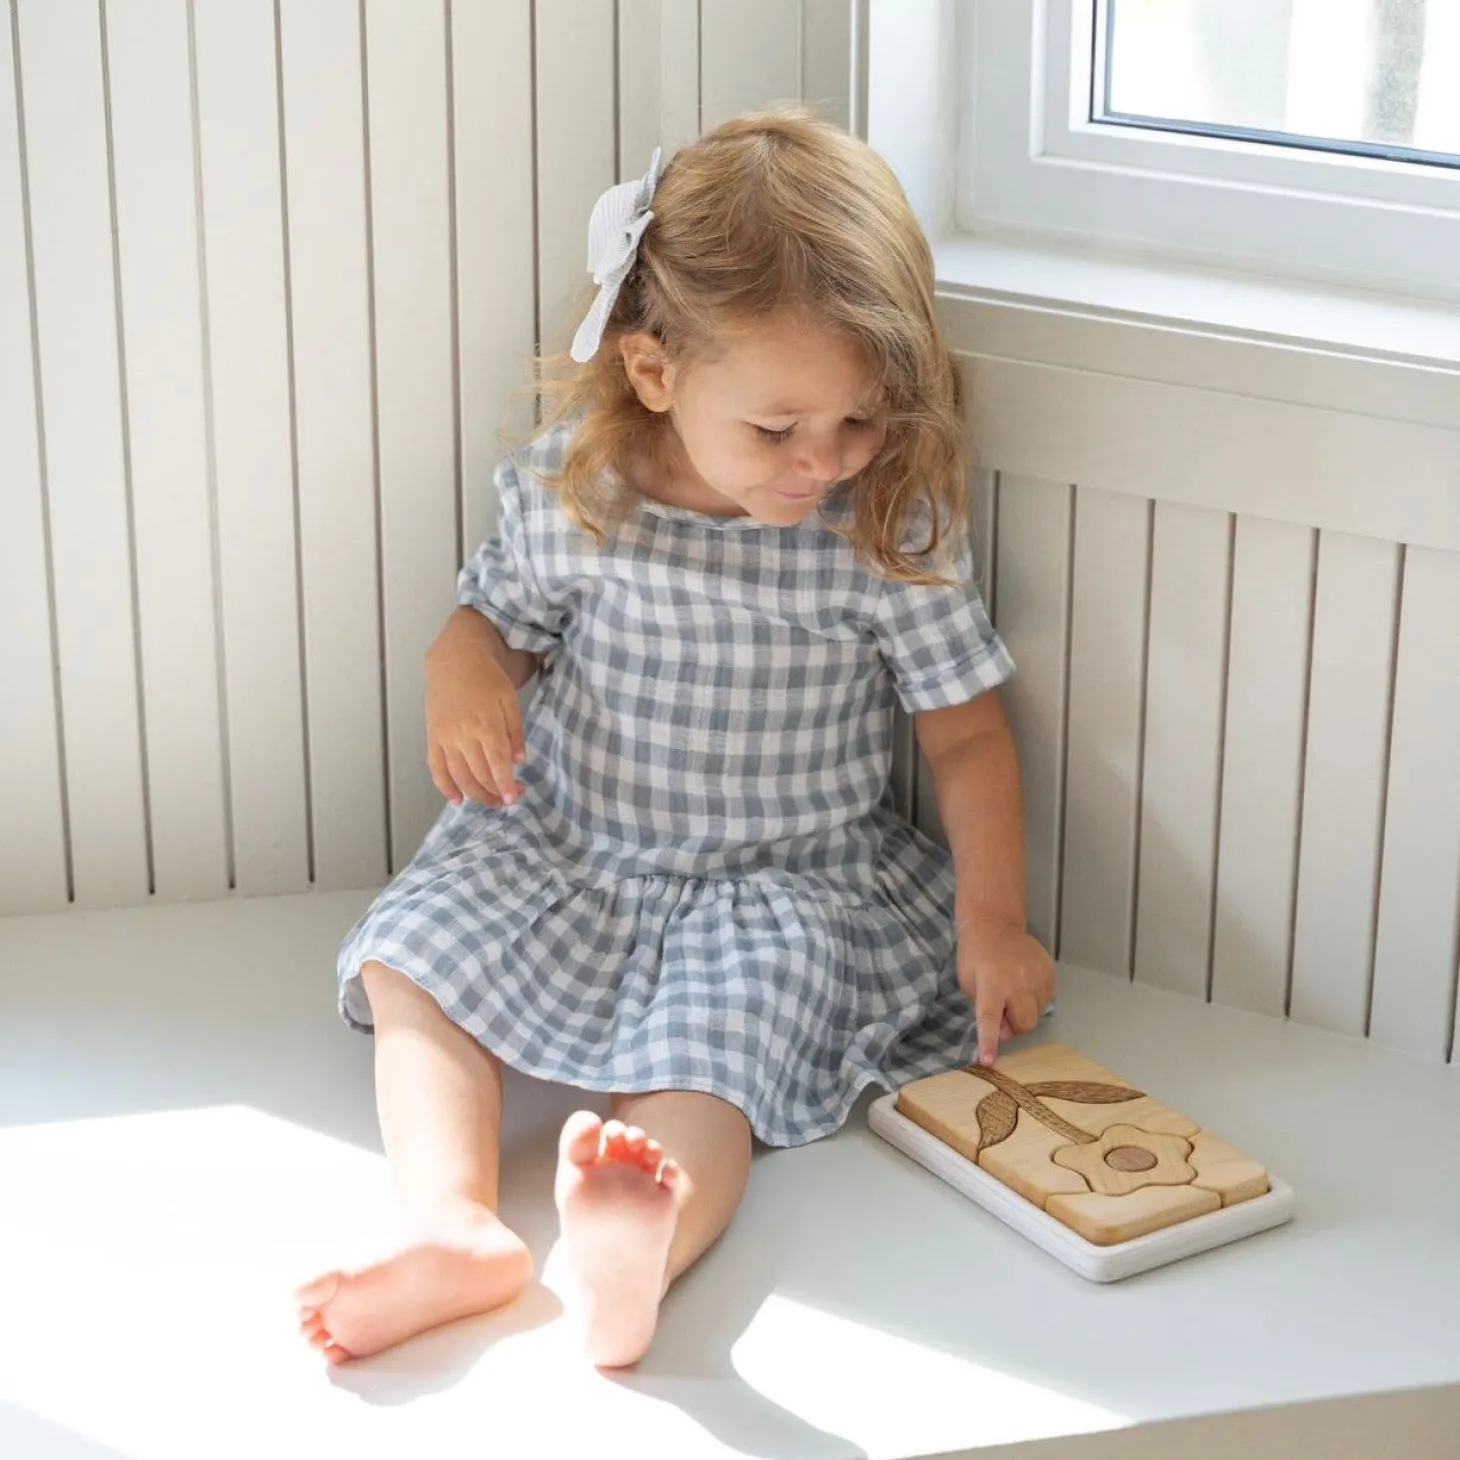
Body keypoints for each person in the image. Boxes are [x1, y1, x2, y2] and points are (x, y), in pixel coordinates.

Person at [295, 109, 1055, 1371]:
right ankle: (449, 1220)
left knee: (715, 1060)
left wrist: (993, 918)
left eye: (859, 421)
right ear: (654, 372)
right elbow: (493, 623)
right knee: (413, 958)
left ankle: (644, 1245)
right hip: (568, 844)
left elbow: (965, 737)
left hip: (778, 880)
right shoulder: (580, 491)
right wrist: (458, 666)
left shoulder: (882, 529)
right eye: (777, 428)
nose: (821, 462)